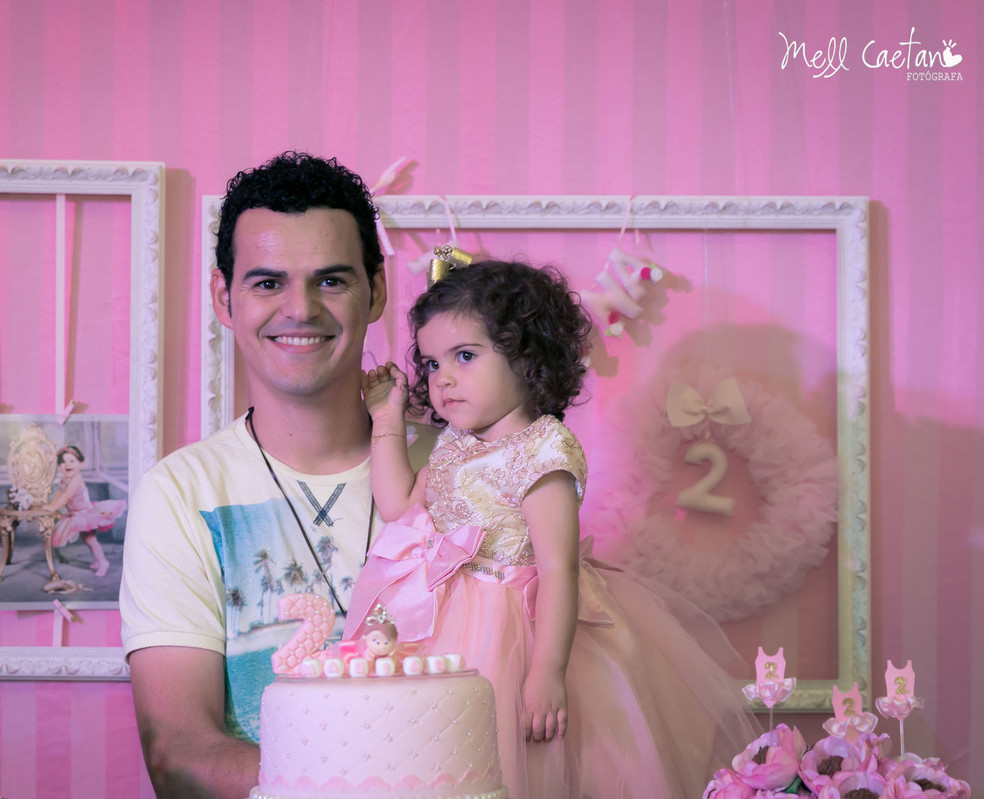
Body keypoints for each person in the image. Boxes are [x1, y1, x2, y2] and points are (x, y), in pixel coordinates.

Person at [345, 260, 760, 799]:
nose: (441, 378)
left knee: (511, 765)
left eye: (464, 356)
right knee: (438, 764)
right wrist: (385, 418)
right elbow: (398, 506)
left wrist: (545, 672)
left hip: (516, 634)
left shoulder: (543, 450)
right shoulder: (454, 443)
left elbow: (559, 569)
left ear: (526, 355)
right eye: (430, 362)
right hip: (441, 624)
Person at [120, 152, 387, 798]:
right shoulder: (180, 495)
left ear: (376, 291)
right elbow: (179, 755)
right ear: (224, 297)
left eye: (331, 280)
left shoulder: (461, 475)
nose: (301, 309)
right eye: (268, 283)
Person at [43, 445, 125, 577]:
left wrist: (54, 508)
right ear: (59, 467)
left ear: (80, 464)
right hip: (75, 514)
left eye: (72, 461)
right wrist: (52, 504)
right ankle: (98, 561)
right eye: (63, 462)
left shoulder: (77, 480)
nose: (67, 464)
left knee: (91, 539)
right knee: (88, 539)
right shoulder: (64, 480)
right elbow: (59, 494)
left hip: (85, 514)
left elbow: (67, 496)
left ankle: (103, 562)